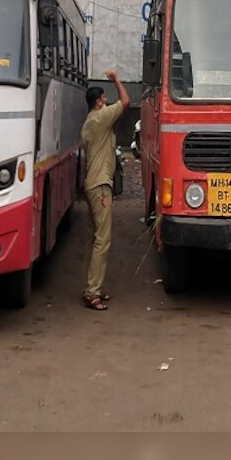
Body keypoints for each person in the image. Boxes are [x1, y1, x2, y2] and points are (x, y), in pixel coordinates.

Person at [81, 68, 130, 311]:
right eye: (104, 98)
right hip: (100, 186)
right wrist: (116, 79)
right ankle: (93, 292)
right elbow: (126, 101)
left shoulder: (91, 122)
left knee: (95, 238)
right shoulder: (100, 118)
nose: (107, 100)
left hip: (93, 184)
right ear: (99, 101)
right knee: (103, 240)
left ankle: (91, 287)